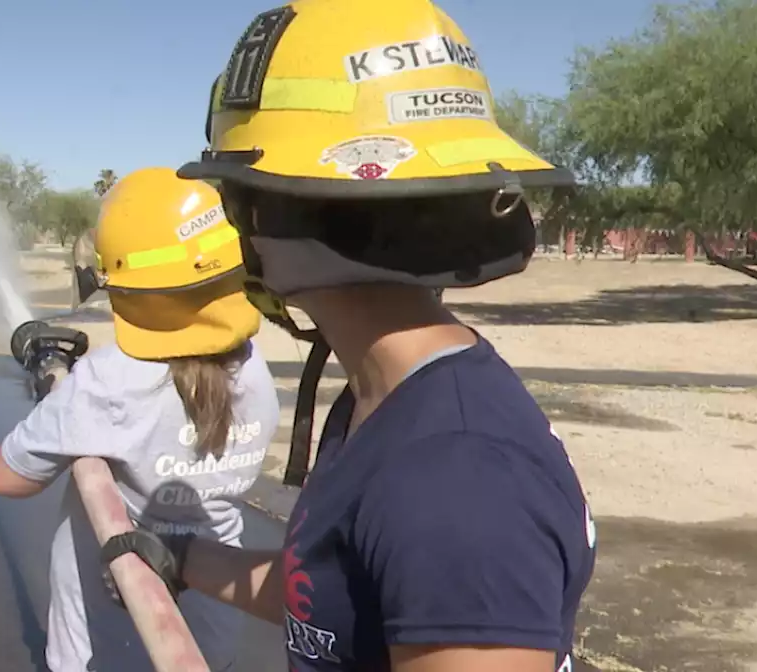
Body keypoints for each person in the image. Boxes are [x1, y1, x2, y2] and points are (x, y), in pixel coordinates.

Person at [102, 2, 598, 671]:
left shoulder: (458, 482)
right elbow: (332, 597)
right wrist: (185, 559)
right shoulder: (383, 394)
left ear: (283, 209)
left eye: (234, 194)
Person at [0, 167, 281, 672]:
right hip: (211, 632)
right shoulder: (253, 363)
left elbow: (7, 478)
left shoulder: (106, 382)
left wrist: (58, 398)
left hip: (103, 646)